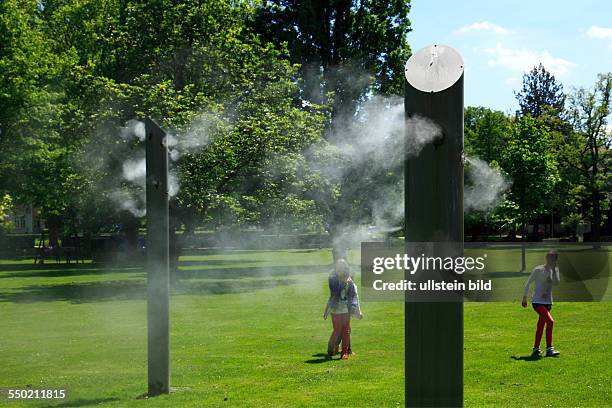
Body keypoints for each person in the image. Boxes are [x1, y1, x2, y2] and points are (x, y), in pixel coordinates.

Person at [522, 250, 561, 357]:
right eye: (550, 258)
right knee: (550, 322)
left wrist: (552, 275)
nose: (551, 260)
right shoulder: (538, 269)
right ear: (546, 258)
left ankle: (536, 349)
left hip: (548, 302)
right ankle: (549, 349)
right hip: (537, 301)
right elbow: (528, 283)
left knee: (541, 325)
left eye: (554, 258)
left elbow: (557, 282)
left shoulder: (555, 269)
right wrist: (524, 298)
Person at [324, 259, 363, 359]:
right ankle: (331, 347)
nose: (340, 269)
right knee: (337, 330)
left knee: (346, 330)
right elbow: (334, 292)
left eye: (342, 267)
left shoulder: (350, 281)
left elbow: (353, 295)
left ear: (345, 268)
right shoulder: (332, 279)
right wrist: (344, 283)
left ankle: (344, 352)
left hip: (346, 309)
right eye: (338, 266)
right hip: (335, 309)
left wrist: (355, 308)